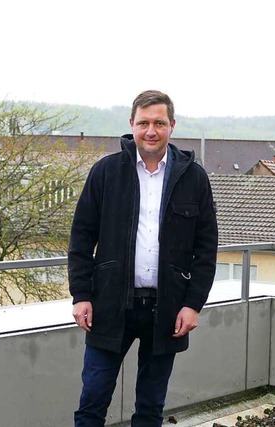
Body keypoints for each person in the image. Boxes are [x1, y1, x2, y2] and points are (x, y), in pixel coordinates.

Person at [68, 90, 218, 426]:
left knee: (150, 409)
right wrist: (81, 295)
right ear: (131, 125)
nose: (151, 130)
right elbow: (81, 239)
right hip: (109, 306)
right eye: (144, 123)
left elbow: (206, 249)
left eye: (159, 123)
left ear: (172, 126)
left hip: (166, 310)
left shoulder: (194, 178)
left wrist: (193, 304)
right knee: (92, 402)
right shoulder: (105, 172)